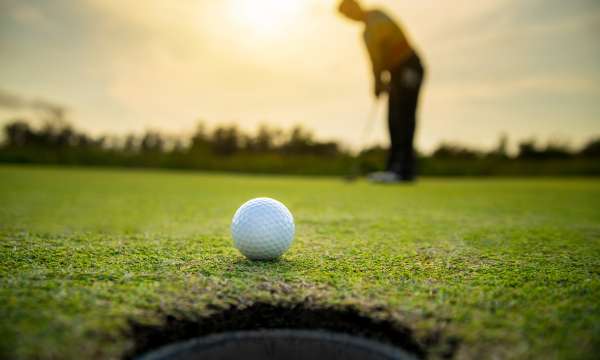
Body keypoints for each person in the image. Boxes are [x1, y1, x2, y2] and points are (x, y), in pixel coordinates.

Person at [338, 0, 425, 183]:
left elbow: (387, 42)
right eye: (345, 16)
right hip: (395, 73)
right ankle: (393, 168)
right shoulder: (364, 34)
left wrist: (382, 75)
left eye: (348, 12)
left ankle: (404, 170)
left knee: (404, 116)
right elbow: (374, 62)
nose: (349, 17)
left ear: (356, 5)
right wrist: (377, 83)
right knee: (393, 118)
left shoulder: (377, 15)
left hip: (409, 66)